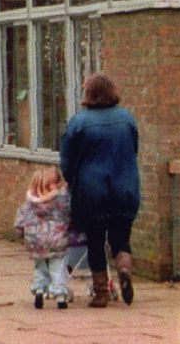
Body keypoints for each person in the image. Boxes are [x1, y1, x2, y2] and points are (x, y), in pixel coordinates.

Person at [60, 73, 140, 307]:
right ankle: (124, 270)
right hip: (125, 188)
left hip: (91, 190)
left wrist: (72, 181)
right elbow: (133, 150)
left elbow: (67, 160)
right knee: (121, 238)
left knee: (95, 241)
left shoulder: (79, 122)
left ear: (88, 94)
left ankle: (101, 293)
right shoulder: (127, 119)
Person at [14, 167, 73, 309]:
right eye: (55, 183)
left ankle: (39, 290)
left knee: (40, 267)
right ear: (49, 184)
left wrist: (21, 233)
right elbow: (69, 211)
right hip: (56, 241)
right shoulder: (59, 201)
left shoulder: (29, 203)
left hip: (36, 242)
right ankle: (60, 296)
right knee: (57, 267)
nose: (58, 186)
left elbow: (20, 221)